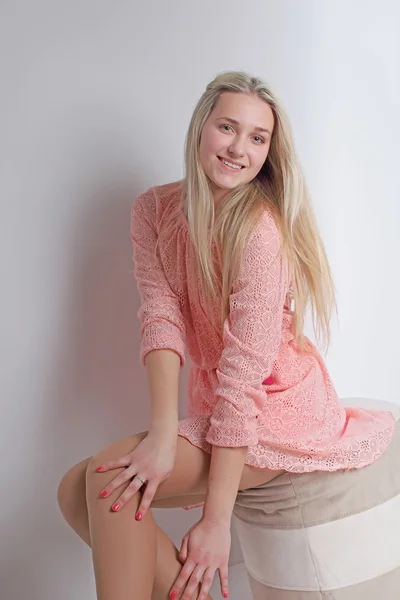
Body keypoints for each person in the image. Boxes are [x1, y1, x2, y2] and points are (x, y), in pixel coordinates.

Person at [57, 71, 396, 600]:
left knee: (103, 483)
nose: (240, 148)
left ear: (269, 153)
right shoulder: (152, 211)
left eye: (258, 138)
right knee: (72, 493)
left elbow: (243, 379)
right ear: (201, 128)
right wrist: (163, 436)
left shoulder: (261, 230)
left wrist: (215, 524)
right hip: (221, 400)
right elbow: (161, 317)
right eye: (228, 128)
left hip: (278, 409)